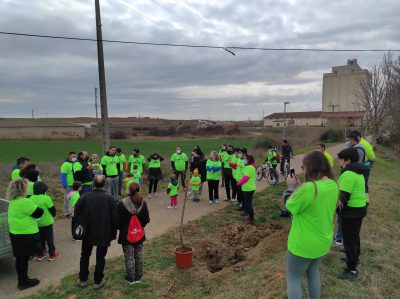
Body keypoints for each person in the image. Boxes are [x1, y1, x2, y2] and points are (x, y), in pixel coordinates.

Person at [285, 151, 338, 299]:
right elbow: (314, 199)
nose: (303, 170)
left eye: (304, 167)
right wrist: (301, 187)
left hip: (303, 245)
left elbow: (290, 205)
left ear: (310, 167)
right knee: (313, 274)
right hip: (322, 241)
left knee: (293, 279)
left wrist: (291, 187)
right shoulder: (332, 184)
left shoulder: (309, 189)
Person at [74, 175, 117, 290]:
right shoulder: (110, 198)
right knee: (100, 257)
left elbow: (76, 213)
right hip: (104, 232)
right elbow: (115, 218)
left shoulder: (84, 197)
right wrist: (115, 230)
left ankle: (83, 279)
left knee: (85, 255)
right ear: (105, 185)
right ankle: (97, 281)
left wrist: (76, 229)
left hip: (87, 232)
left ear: (93, 184)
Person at [7, 179, 43, 290]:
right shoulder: (24, 201)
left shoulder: (13, 201)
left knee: (20, 258)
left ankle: (22, 280)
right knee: (23, 258)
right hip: (25, 233)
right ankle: (23, 282)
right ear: (23, 189)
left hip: (15, 232)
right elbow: (38, 212)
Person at [337, 148, 367, 279]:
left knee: (349, 240)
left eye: (341, 159)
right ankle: (355, 257)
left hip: (351, 212)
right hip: (359, 208)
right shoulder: (358, 171)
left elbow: (343, 197)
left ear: (347, 160)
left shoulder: (348, 174)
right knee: (355, 236)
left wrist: (336, 209)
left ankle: (352, 270)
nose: (339, 162)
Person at [114, 182, 150, 284]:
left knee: (129, 256)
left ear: (129, 190)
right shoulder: (143, 202)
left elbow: (116, 221)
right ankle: (139, 276)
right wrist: (139, 227)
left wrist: (124, 228)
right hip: (139, 234)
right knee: (139, 254)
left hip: (126, 236)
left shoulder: (121, 204)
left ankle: (131, 278)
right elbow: (146, 219)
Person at [30, 182, 60, 261]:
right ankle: (52, 254)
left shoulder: (30, 198)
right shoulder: (46, 198)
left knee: (40, 239)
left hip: (36, 223)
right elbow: (52, 210)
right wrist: (53, 215)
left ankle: (40, 254)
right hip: (47, 222)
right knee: (49, 238)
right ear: (43, 190)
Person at [352, 130, 375, 199]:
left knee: (364, 183)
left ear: (358, 137)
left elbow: (372, 157)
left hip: (364, 166)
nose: (351, 140)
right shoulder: (359, 143)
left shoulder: (363, 144)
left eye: (353, 137)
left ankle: (366, 199)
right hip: (360, 166)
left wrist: (367, 163)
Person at [237, 154, 257, 225]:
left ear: (249, 160)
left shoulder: (249, 167)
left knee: (248, 204)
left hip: (248, 188)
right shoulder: (249, 167)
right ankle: (250, 217)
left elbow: (245, 178)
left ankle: (251, 219)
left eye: (245, 159)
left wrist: (238, 183)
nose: (243, 160)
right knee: (249, 203)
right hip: (249, 187)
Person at [61, 152, 77, 218]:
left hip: (76, 185)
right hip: (69, 185)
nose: (74, 158)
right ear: (69, 157)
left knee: (74, 199)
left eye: (75, 156)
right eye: (73, 156)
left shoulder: (75, 164)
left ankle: (73, 212)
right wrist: (65, 184)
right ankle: (66, 213)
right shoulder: (65, 164)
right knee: (67, 199)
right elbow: (63, 175)